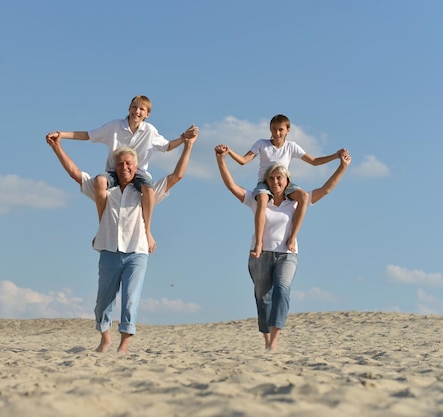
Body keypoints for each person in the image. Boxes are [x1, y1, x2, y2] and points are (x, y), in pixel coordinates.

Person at [46, 129, 197, 354]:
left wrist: (188, 145)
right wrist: (57, 147)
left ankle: (124, 344)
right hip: (108, 250)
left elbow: (177, 176)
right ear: (114, 168)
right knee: (103, 300)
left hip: (137, 251)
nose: (124, 167)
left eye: (128, 163)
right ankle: (105, 338)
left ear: (136, 168)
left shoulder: (145, 193)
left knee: (130, 300)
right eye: (120, 164)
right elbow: (75, 173)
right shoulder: (107, 191)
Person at [215, 143, 351, 351]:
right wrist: (221, 160)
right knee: (262, 297)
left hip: (287, 255)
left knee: (282, 290)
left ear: (288, 181)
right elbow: (232, 185)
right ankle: (267, 339)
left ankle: (274, 341)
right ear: (266, 181)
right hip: (260, 255)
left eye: (279, 178)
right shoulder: (257, 199)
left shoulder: (296, 202)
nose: (275, 181)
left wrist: (342, 166)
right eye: (271, 178)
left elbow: (326, 189)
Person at [48, 95, 198, 254]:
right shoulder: (114, 126)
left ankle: (148, 230)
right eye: (134, 107)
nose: (137, 111)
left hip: (139, 173)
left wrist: (184, 139)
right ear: (128, 108)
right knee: (100, 182)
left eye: (142, 109)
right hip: (113, 173)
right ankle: (103, 227)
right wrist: (62, 136)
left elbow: (167, 147)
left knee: (148, 189)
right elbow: (88, 135)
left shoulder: (150, 131)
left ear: (147, 114)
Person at [226, 114, 345, 258]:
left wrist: (335, 156)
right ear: (269, 129)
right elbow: (244, 160)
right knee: (262, 199)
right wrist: (229, 152)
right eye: (274, 130)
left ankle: (292, 238)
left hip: (284, 183)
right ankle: (258, 244)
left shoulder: (291, 147)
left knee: (304, 196)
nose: (277, 133)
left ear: (287, 130)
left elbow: (314, 161)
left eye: (280, 130)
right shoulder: (262, 144)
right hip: (264, 183)